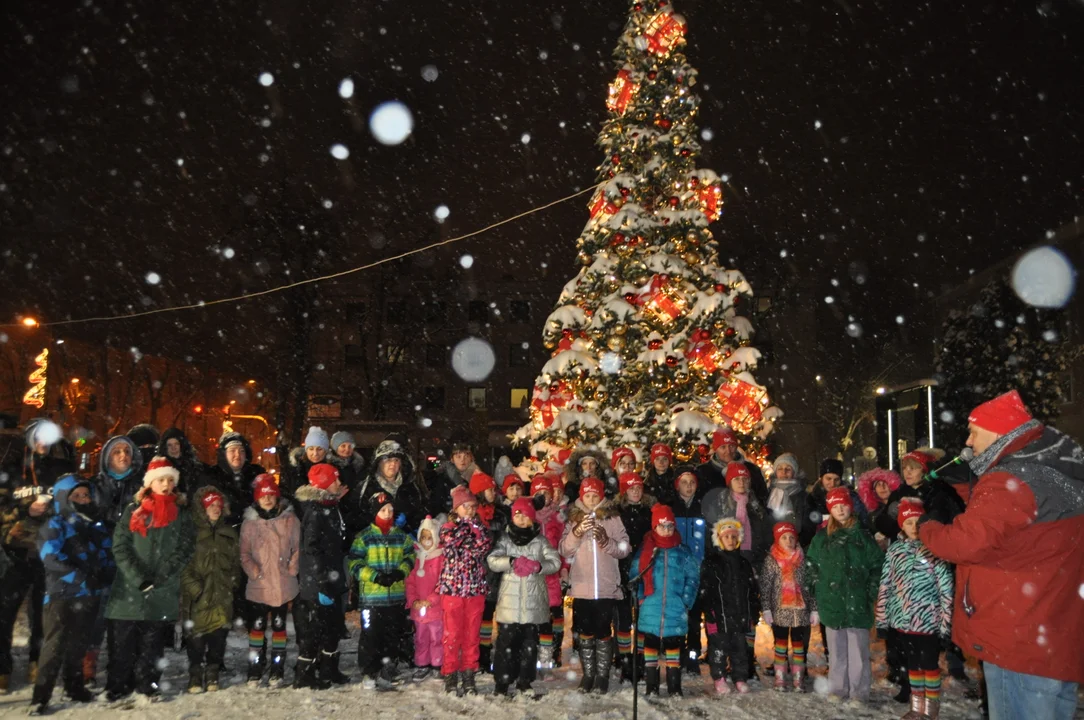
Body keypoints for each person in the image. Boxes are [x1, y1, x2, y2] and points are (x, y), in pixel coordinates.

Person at [919, 390, 1084, 720]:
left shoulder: (1010, 478)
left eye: (974, 432)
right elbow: (1013, 527)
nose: (968, 440)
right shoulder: (1050, 467)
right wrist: (968, 486)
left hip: (1017, 638)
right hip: (1053, 630)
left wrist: (927, 527)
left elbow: (965, 542)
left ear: (998, 431)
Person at [104, 456, 195, 701]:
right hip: (128, 592)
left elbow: (185, 549)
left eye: (169, 480)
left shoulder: (182, 515)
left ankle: (147, 685)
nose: (165, 484)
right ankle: (118, 686)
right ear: (150, 484)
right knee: (122, 643)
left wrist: (162, 575)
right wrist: (139, 578)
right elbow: (121, 547)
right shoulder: (134, 511)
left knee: (152, 645)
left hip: (161, 591)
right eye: (160, 480)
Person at [28, 475, 113, 715]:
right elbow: (51, 557)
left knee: (79, 643)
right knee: (54, 646)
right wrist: (82, 577)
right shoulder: (55, 524)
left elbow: (106, 552)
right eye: (76, 495)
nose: (83, 499)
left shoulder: (94, 525)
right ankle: (40, 696)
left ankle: (74, 686)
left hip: (89, 595)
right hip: (61, 595)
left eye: (86, 495)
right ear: (64, 498)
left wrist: (107, 571)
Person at [876, 498, 953, 720]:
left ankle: (931, 709)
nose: (914, 527)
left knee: (929, 667)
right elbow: (886, 586)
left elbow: (946, 590)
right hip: (903, 623)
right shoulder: (895, 551)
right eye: (909, 522)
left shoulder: (933, 550)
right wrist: (882, 620)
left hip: (928, 623)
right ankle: (917, 707)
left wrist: (945, 626)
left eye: (918, 522)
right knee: (913, 667)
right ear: (902, 525)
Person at [805, 486, 883, 703]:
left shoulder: (863, 537)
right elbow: (810, 565)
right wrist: (817, 588)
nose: (839, 510)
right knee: (837, 651)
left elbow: (878, 565)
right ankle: (838, 689)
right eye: (835, 506)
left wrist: (870, 589)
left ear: (850, 507)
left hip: (857, 602)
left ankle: (859, 692)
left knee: (858, 651)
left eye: (843, 505)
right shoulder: (822, 538)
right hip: (832, 603)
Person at [559, 477, 630, 694]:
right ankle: (588, 675)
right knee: (585, 632)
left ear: (601, 496)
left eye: (595, 496)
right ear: (582, 497)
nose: (591, 500)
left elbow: (624, 548)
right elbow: (564, 549)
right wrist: (577, 533)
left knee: (603, 631)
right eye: (587, 496)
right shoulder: (574, 519)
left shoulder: (612, 518)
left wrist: (606, 541)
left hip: (606, 587)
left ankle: (602, 676)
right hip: (581, 586)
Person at [486, 497, 561, 698]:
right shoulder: (505, 539)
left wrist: (538, 567)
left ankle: (524, 681)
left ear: (532, 519)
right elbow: (492, 560)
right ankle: (502, 682)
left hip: (533, 604)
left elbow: (555, 562)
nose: (521, 519)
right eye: (517, 515)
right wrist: (510, 562)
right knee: (505, 645)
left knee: (529, 646)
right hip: (509, 604)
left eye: (525, 516)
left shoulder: (540, 541)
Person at [348, 492, 415, 690]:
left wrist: (399, 573)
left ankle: (387, 669)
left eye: (391, 510)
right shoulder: (365, 537)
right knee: (370, 635)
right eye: (383, 510)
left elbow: (410, 557)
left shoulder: (400, 536)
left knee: (392, 635)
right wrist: (374, 576)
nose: (387, 514)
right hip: (371, 598)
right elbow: (355, 563)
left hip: (394, 597)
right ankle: (369, 671)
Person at [293, 463, 349, 690]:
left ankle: (329, 668)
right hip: (319, 584)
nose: (338, 483)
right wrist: (322, 581)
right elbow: (312, 549)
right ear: (325, 484)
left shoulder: (331, 505)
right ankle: (304, 673)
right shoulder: (316, 511)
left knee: (333, 626)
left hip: (332, 579)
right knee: (314, 630)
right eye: (334, 479)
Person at [240, 474, 299, 686]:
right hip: (259, 585)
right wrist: (253, 571)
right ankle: (255, 667)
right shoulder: (249, 524)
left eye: (271, 495)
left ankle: (277, 667)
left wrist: (292, 567)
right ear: (257, 498)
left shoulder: (290, 521)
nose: (267, 499)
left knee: (279, 627)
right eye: (263, 496)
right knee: (256, 627)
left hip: (282, 585)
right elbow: (244, 553)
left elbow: (297, 548)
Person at [636, 504, 700, 698]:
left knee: (673, 647)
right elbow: (636, 575)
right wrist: (641, 598)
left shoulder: (682, 552)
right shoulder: (647, 550)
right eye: (662, 526)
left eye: (670, 526)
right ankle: (651, 686)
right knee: (651, 648)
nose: (666, 530)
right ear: (654, 527)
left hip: (675, 607)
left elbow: (693, 577)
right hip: (650, 607)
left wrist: (686, 600)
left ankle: (674, 686)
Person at [181, 487, 241, 694]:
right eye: (211, 505)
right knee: (196, 639)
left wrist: (233, 583)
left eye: (218, 505)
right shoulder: (192, 532)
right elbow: (182, 565)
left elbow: (236, 563)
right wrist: (195, 588)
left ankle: (213, 673)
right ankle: (195, 675)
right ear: (202, 508)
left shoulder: (229, 533)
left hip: (222, 594)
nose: (216, 509)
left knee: (218, 638)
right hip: (198, 596)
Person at [438, 486, 493, 696]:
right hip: (452, 590)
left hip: (475, 589)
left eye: (472, 507)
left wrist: (472, 531)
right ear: (456, 509)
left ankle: (469, 672)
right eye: (464, 507)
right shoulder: (447, 527)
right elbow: (453, 542)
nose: (469, 511)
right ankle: (450, 673)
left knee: (472, 635)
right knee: (452, 635)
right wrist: (467, 529)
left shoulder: (480, 527)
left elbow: (482, 546)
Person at [701, 518, 759, 695]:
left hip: (740, 615)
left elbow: (752, 590)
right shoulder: (711, 563)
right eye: (727, 537)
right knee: (718, 649)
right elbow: (705, 590)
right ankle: (719, 678)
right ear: (719, 539)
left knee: (740, 650)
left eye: (734, 536)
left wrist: (753, 611)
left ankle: (740, 678)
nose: (731, 540)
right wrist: (708, 611)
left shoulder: (744, 564)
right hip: (719, 616)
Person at [759, 521, 816, 693]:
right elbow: (766, 586)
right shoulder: (772, 560)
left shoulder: (803, 559)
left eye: (792, 537)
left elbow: (810, 586)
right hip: (780, 611)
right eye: (784, 537)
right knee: (780, 646)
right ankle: (780, 679)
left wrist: (814, 608)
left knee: (799, 646)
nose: (789, 540)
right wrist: (767, 609)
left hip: (800, 612)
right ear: (777, 540)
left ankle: (798, 680)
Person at [615, 472, 656, 682]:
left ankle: (639, 661)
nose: (636, 491)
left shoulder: (650, 512)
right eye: (632, 488)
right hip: (621, 571)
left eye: (639, 487)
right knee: (623, 620)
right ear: (624, 491)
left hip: (643, 571)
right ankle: (624, 661)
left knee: (641, 619)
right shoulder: (616, 513)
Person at [469, 471, 508, 673]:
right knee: (482, 619)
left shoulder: (500, 515)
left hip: (497, 574)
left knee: (497, 615)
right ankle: (481, 656)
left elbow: (504, 541)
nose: (493, 492)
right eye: (489, 489)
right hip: (479, 575)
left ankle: (500, 654)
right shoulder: (473, 517)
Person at [670, 465, 708, 674]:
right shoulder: (671, 508)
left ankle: (692, 656)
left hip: (697, 571)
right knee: (677, 615)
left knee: (694, 618)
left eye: (692, 482)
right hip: (676, 571)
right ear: (677, 486)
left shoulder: (702, 508)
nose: (688, 486)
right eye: (684, 482)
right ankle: (676, 654)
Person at [883, 449, 965, 538]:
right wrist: (891, 517)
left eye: (913, 468)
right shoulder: (898, 493)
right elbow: (882, 524)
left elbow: (951, 521)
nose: (907, 472)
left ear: (925, 471)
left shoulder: (942, 491)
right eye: (904, 468)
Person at [353, 435, 427, 533]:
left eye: (396, 460)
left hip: (404, 544)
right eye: (388, 459)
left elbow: (421, 514)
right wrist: (378, 523)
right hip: (374, 545)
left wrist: (407, 525)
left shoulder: (411, 487)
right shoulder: (365, 488)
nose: (393, 464)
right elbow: (354, 518)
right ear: (379, 462)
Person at [702, 461, 772, 564]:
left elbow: (766, 532)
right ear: (729, 482)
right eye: (737, 479)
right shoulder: (720, 504)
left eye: (745, 479)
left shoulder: (756, 505)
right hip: (725, 559)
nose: (741, 483)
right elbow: (711, 533)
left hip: (754, 557)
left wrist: (761, 554)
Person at [531, 475, 567, 669]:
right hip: (534, 576)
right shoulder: (529, 517)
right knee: (537, 619)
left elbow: (562, 547)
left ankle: (551, 655)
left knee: (553, 618)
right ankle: (535, 656)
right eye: (539, 493)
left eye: (546, 493)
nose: (543, 496)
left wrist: (564, 570)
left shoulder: (557, 517)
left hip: (553, 576)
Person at [405, 515, 444, 681]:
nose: (426, 541)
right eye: (423, 537)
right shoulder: (417, 557)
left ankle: (437, 663)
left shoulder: (441, 558)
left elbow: (443, 581)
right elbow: (410, 582)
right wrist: (414, 600)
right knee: (421, 638)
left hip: (435, 608)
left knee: (437, 637)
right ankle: (422, 664)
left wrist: (432, 599)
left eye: (430, 537)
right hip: (419, 607)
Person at [206, 431, 267, 528]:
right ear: (224, 454)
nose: (238, 455)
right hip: (223, 534)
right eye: (232, 450)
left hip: (254, 532)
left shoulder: (256, 474)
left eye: (242, 451)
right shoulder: (211, 476)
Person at [695, 427, 768, 504]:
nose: (728, 451)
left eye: (731, 446)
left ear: (736, 447)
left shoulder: (752, 470)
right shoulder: (703, 472)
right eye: (723, 447)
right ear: (715, 449)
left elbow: (763, 501)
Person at [807, 458, 867, 532]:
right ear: (821, 478)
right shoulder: (812, 498)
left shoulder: (851, 496)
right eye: (828, 479)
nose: (832, 484)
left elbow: (862, 521)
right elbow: (807, 527)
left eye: (836, 480)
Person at [426, 439, 480, 518]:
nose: (462, 460)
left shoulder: (479, 478)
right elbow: (437, 508)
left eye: (466, 456)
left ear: (471, 458)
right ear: (452, 459)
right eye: (458, 456)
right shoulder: (443, 480)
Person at [765, 453, 810, 544]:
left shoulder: (803, 496)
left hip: (796, 544)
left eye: (788, 469)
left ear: (795, 472)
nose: (784, 472)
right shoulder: (768, 494)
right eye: (780, 469)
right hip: (773, 545)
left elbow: (808, 526)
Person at [282, 427, 332, 510]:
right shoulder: (294, 468)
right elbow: (285, 494)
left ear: (326, 451)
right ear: (306, 450)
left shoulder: (333, 468)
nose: (315, 453)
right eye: (311, 449)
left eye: (319, 449)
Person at [328, 431, 366, 539]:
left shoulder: (358, 465)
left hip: (356, 511)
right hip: (338, 511)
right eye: (343, 446)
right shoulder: (330, 466)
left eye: (350, 446)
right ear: (336, 447)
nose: (347, 449)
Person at [857, 467, 902, 551]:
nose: (882, 487)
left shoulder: (900, 506)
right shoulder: (871, 514)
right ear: (873, 490)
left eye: (885, 483)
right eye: (878, 484)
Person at [155, 427, 206, 496]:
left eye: (176, 444)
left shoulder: (194, 466)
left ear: (182, 445)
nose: (173, 447)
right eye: (169, 445)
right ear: (165, 447)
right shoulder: (160, 468)